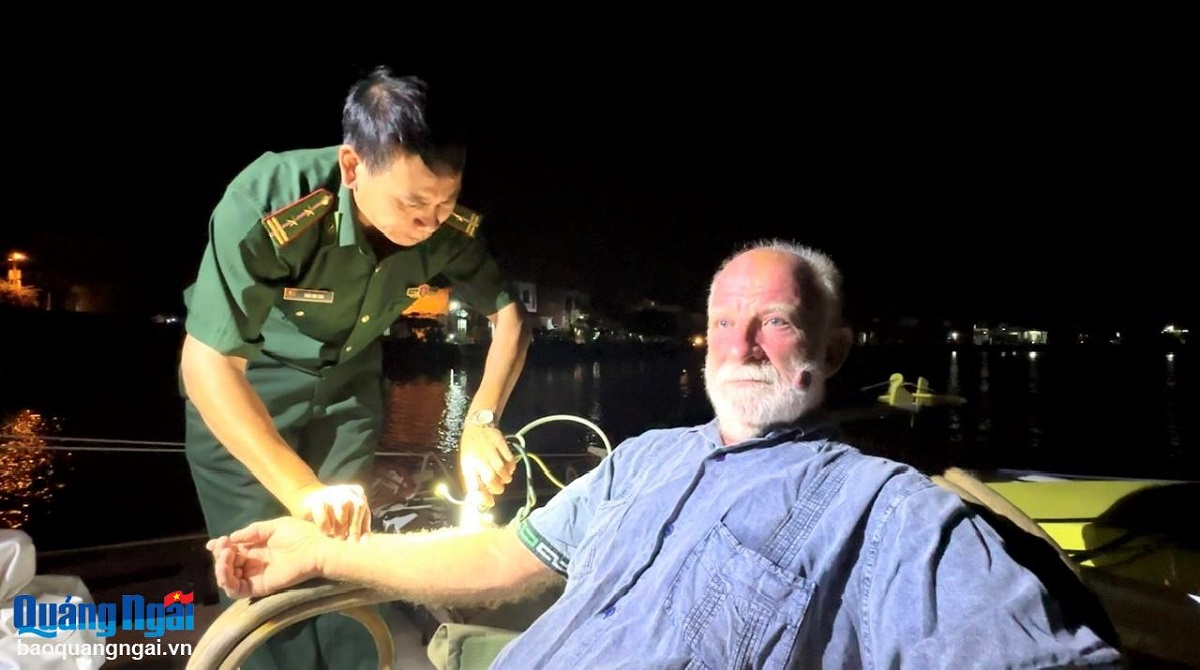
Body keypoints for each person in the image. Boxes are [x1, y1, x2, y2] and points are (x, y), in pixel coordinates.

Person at [205, 240, 1124, 668]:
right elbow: (502, 556)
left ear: (834, 349)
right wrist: (321, 553)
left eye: (776, 322)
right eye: (724, 323)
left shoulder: (889, 511)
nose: (743, 345)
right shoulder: (643, 460)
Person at [180, 66, 531, 670]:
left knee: (347, 550)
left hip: (349, 389)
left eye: (445, 202)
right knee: (263, 565)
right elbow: (208, 362)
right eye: (413, 203)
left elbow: (509, 316)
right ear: (351, 166)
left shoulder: (447, 229)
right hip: (248, 389)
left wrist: (481, 420)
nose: (430, 222)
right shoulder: (273, 200)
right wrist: (303, 491)